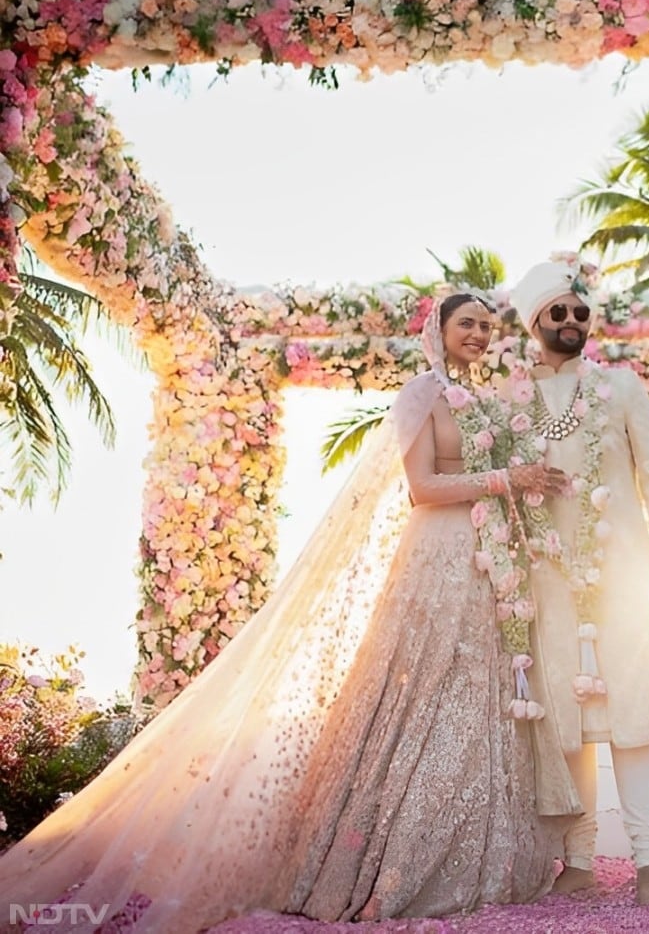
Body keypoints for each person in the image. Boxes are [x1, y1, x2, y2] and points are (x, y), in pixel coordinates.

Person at [0, 289, 579, 932]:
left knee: (474, 699)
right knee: (417, 696)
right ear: (438, 331)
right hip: (435, 561)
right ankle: (387, 860)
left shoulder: (487, 402)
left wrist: (525, 485)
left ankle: (478, 856)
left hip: (482, 566)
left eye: (485, 327)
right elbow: (421, 488)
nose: (477, 334)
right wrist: (506, 480)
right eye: (466, 324)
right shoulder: (421, 393)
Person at [507, 257, 649, 907]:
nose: (572, 322)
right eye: (559, 312)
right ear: (536, 322)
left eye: (581, 312)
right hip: (549, 581)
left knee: (631, 716)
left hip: (626, 577)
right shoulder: (511, 400)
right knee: (568, 721)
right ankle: (577, 857)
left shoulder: (621, 387)